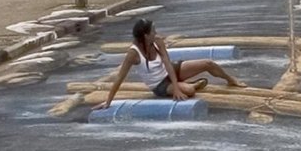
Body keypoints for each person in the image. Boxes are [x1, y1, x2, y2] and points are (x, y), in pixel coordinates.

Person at [103, 17, 242, 105]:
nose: (156, 33)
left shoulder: (157, 41)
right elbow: (120, 78)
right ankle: (191, 85)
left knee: (208, 63)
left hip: (171, 72)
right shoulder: (133, 54)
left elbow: (167, 63)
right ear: (145, 35)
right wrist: (108, 101)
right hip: (159, 84)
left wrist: (175, 87)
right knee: (189, 91)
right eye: (153, 31)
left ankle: (231, 80)